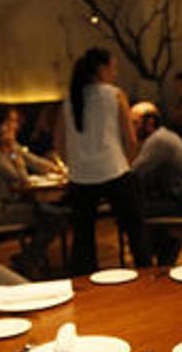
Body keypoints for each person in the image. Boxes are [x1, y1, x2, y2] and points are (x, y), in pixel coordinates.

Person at [53, 47, 152, 273]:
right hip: (114, 170)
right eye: (113, 67)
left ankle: (86, 288)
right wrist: (127, 163)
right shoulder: (114, 95)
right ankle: (147, 277)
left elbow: (58, 143)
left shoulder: (69, 100)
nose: (115, 73)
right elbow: (130, 138)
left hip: (80, 177)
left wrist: (74, 165)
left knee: (83, 238)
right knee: (135, 230)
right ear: (101, 68)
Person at [0, 103, 67, 276]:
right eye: (11, 121)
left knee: (55, 214)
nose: (16, 125)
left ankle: (30, 257)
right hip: (1, 209)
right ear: (0, 124)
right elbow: (19, 178)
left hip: (17, 204)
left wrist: (55, 167)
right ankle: (29, 257)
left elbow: (34, 161)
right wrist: (13, 153)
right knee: (53, 216)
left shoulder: (13, 147)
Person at [129, 101, 182, 265]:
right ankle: (164, 258)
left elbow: (134, 173)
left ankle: (145, 267)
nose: (130, 128)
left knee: (131, 212)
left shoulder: (158, 141)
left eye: (134, 123)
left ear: (150, 123)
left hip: (181, 203)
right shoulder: (164, 135)